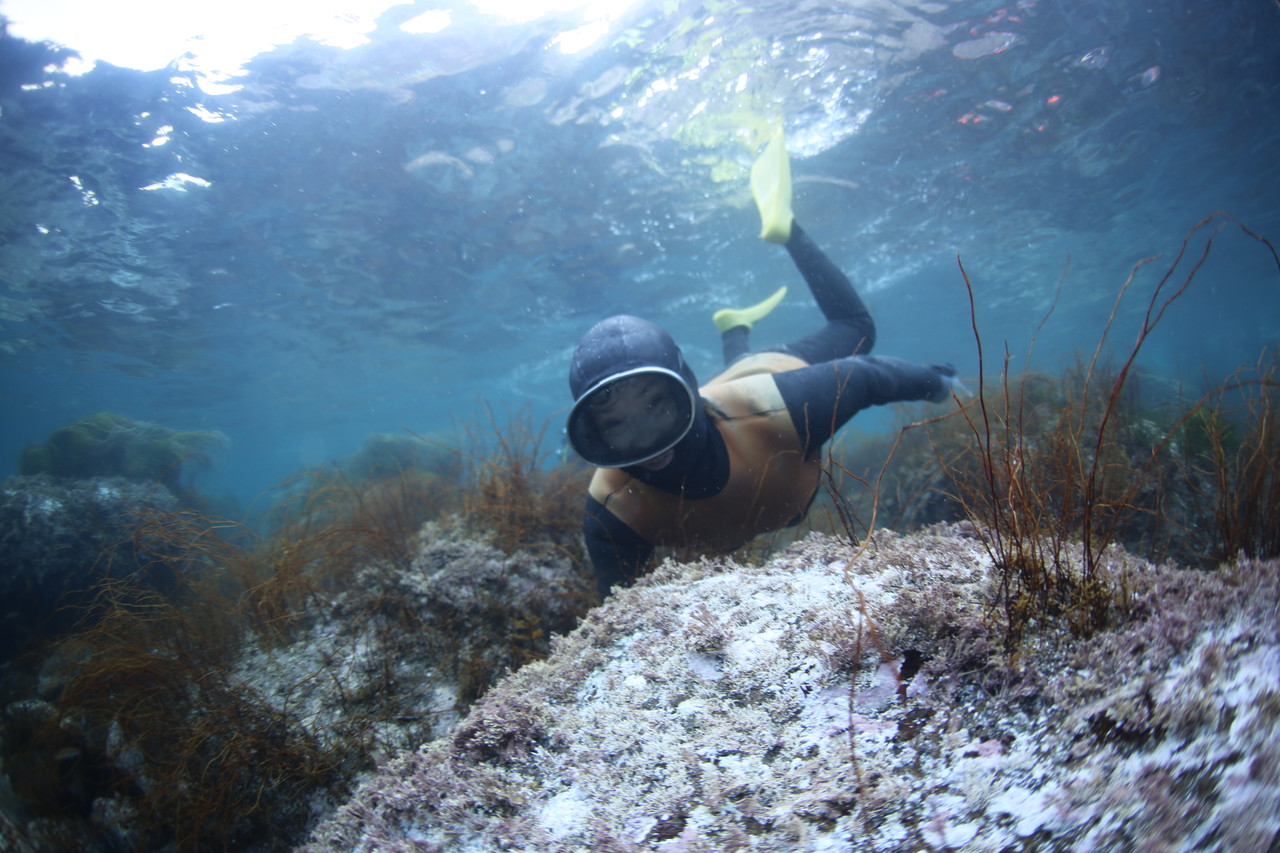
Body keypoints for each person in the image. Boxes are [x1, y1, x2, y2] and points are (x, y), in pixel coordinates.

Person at [566, 132, 963, 597]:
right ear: (594, 437)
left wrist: (940, 383)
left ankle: (787, 228)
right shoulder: (611, 510)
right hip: (728, 397)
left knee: (855, 328)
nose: (649, 441)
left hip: (764, 377)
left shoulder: (780, 407)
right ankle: (734, 329)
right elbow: (618, 614)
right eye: (618, 427)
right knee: (744, 369)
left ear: (685, 393)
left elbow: (867, 374)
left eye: (659, 406)